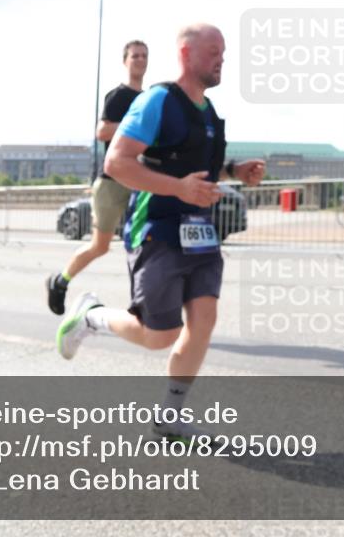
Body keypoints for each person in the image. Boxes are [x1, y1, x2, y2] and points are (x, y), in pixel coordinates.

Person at [55, 24, 265, 443]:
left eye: (224, 52)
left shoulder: (209, 112)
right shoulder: (158, 100)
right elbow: (117, 162)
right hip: (157, 227)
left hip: (201, 231)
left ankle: (169, 417)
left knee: (203, 321)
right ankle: (91, 316)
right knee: (159, 335)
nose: (222, 59)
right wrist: (179, 188)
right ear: (186, 53)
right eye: (213, 51)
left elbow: (196, 169)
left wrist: (234, 171)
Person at [46, 40, 149, 315]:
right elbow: (102, 131)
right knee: (100, 246)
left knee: (142, 242)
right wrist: (135, 124)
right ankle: (60, 281)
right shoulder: (117, 96)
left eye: (144, 56)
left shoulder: (149, 99)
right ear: (125, 61)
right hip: (112, 182)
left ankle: (141, 302)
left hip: (140, 181)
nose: (140, 60)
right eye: (135, 56)